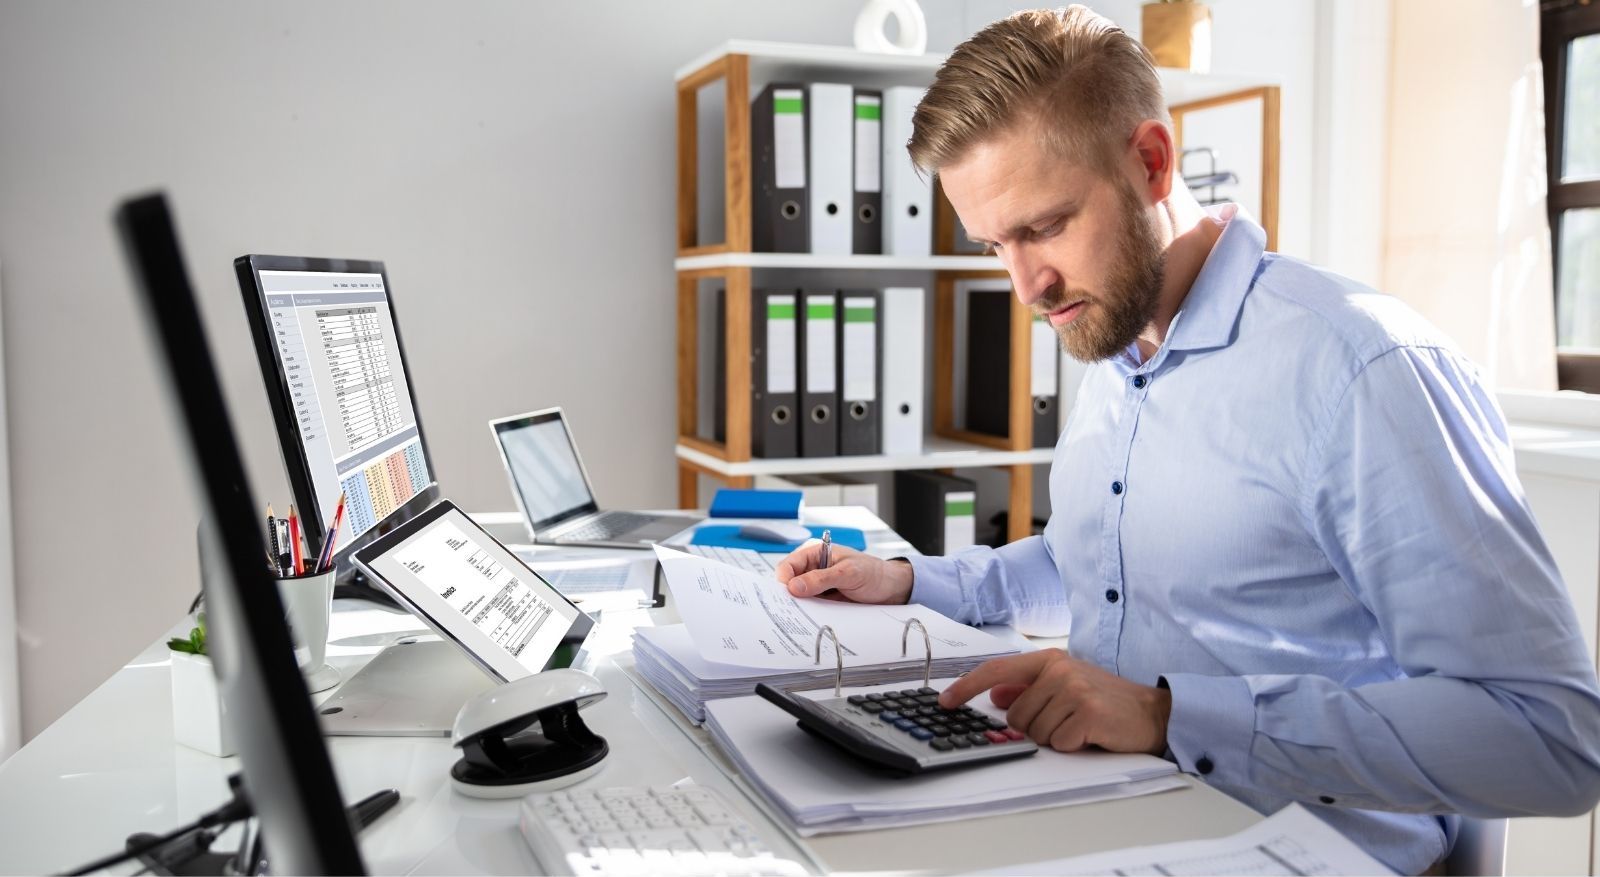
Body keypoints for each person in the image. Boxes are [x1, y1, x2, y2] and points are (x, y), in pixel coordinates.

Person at [776, 6, 1600, 873]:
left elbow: (1550, 737)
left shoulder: (1363, 369)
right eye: (995, 245)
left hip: (1290, 845)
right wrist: (908, 581)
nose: (1026, 285)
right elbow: (1089, 562)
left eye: (1046, 226)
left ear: (1153, 162)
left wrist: (1170, 715)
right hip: (1109, 804)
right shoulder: (1116, 339)